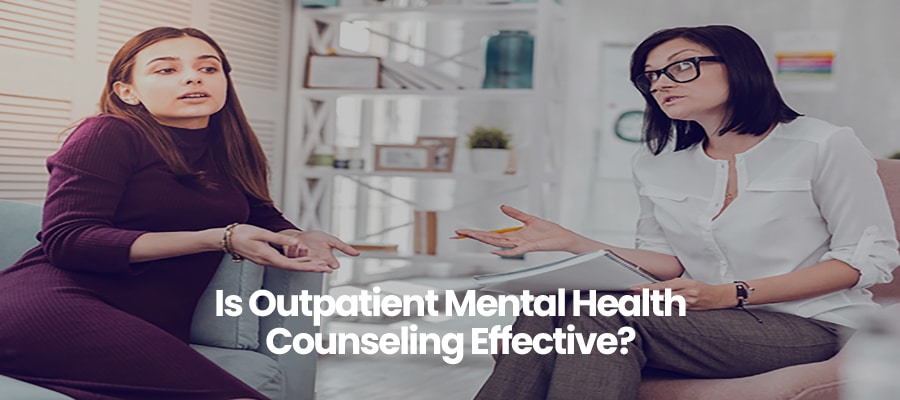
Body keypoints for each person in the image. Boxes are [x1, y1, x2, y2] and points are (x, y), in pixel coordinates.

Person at [458, 25, 900, 400]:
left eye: (681, 67)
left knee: (603, 317)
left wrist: (730, 294)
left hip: (809, 324)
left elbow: (866, 260)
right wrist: (574, 241)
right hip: (709, 320)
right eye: (650, 76)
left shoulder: (824, 144)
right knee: (556, 303)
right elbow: (669, 262)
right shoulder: (656, 163)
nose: (661, 83)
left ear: (739, 65)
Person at [0, 27, 358, 399]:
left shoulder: (230, 150)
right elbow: (68, 240)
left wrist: (301, 236)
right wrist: (216, 239)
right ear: (127, 91)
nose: (193, 77)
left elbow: (263, 217)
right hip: (52, 305)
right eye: (166, 70)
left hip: (145, 321)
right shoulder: (107, 132)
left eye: (208, 68)